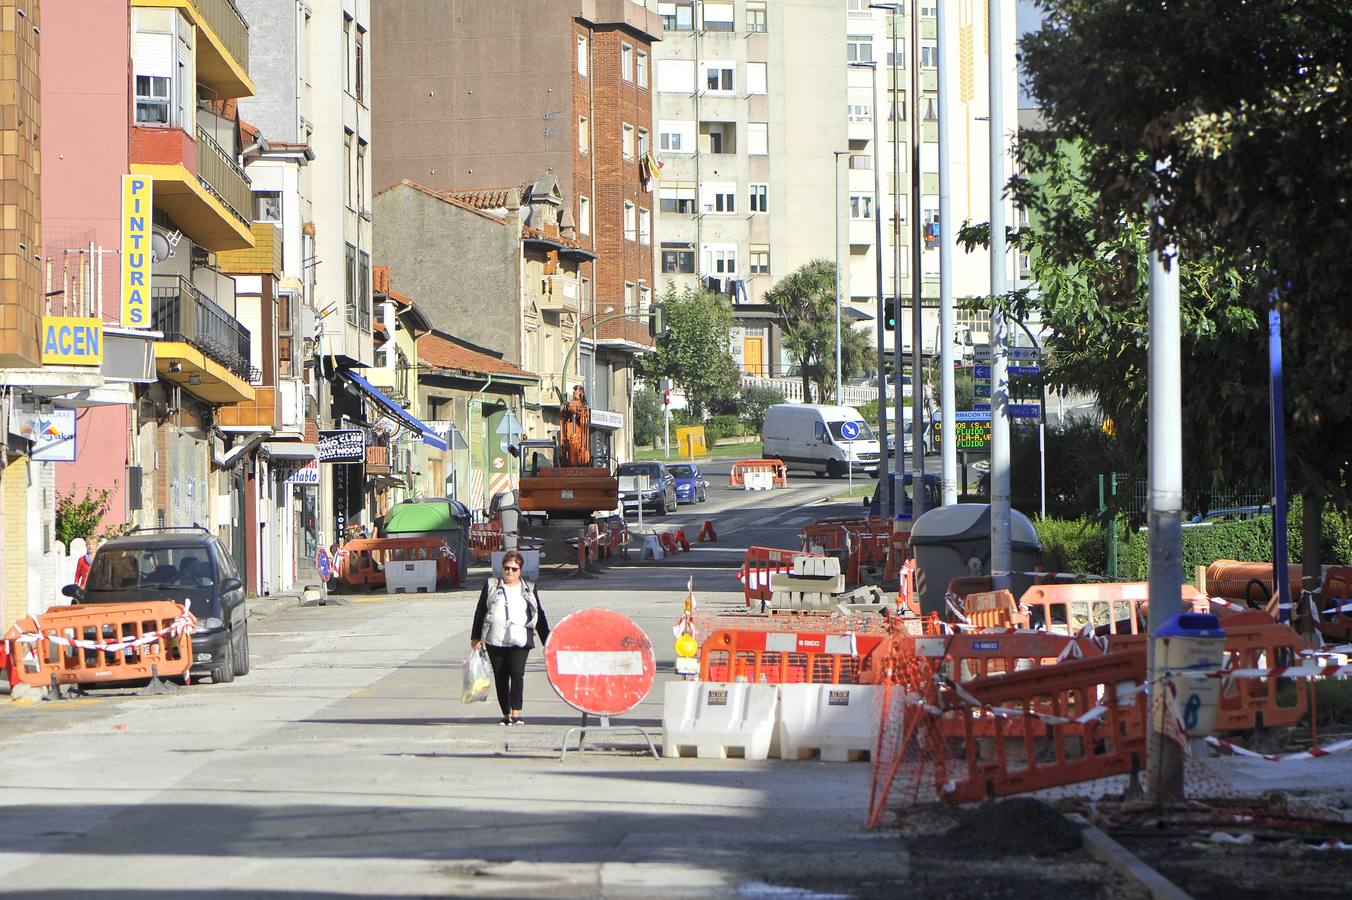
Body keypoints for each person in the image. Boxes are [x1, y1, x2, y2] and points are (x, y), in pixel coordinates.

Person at [470, 550, 550, 725]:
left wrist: (548, 640)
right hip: (495, 639)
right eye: (507, 568)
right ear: (502, 568)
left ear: (520, 570)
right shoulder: (491, 585)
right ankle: (506, 714)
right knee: (501, 677)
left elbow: (538, 614)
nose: (510, 572)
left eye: (514, 569)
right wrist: (475, 637)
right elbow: (480, 611)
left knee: (517, 673)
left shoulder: (529, 587)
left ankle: (517, 713)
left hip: (520, 639)